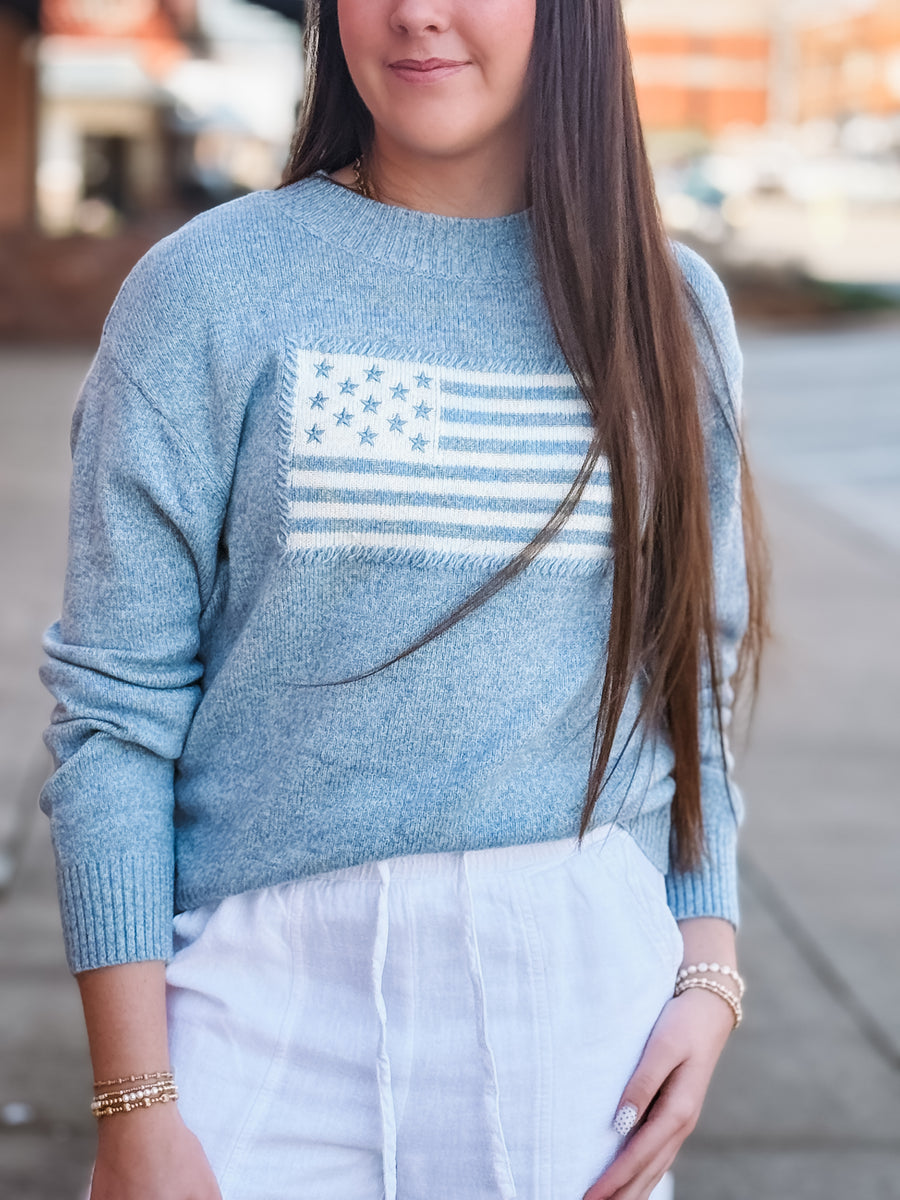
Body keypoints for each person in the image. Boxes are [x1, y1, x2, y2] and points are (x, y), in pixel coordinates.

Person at [38, 0, 769, 1197]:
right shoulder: (205, 291)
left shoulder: (668, 311)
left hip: (576, 1004)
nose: (416, 11)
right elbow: (115, 715)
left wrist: (708, 955)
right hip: (256, 1004)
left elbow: (691, 668)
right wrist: (135, 1098)